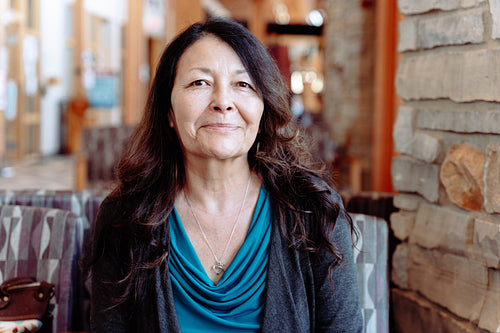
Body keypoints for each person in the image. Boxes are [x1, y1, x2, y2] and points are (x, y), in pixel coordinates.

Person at [88, 17, 363, 332]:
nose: (222, 102)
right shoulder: (125, 217)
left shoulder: (314, 210)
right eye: (199, 83)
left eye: (243, 84)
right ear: (169, 112)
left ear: (264, 107)